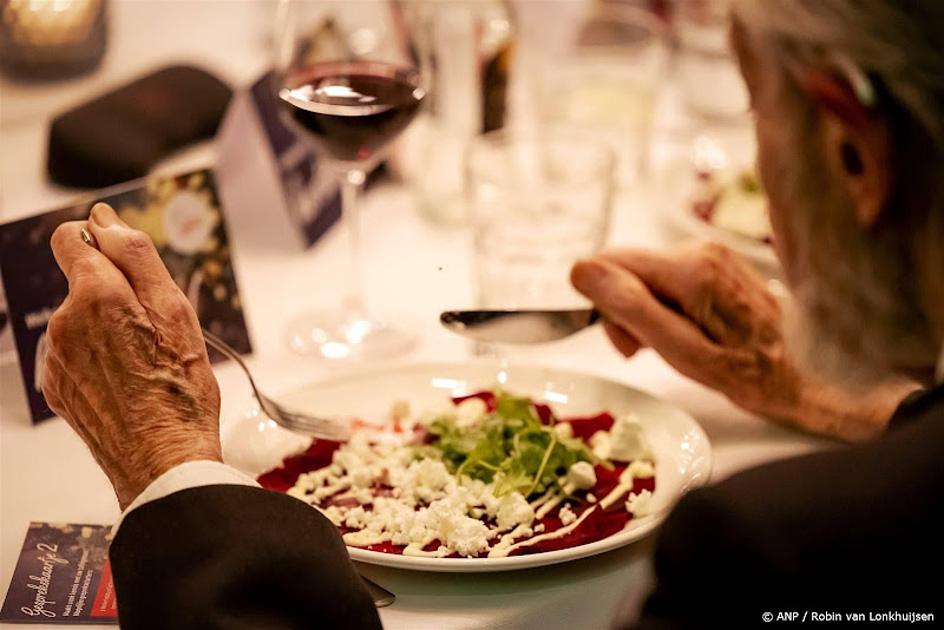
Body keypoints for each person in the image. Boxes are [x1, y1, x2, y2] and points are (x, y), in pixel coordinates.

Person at [40, 0, 943, 627]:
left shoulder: (777, 556)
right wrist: (846, 399)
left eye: (757, 119)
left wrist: (166, 462)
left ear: (851, 155)